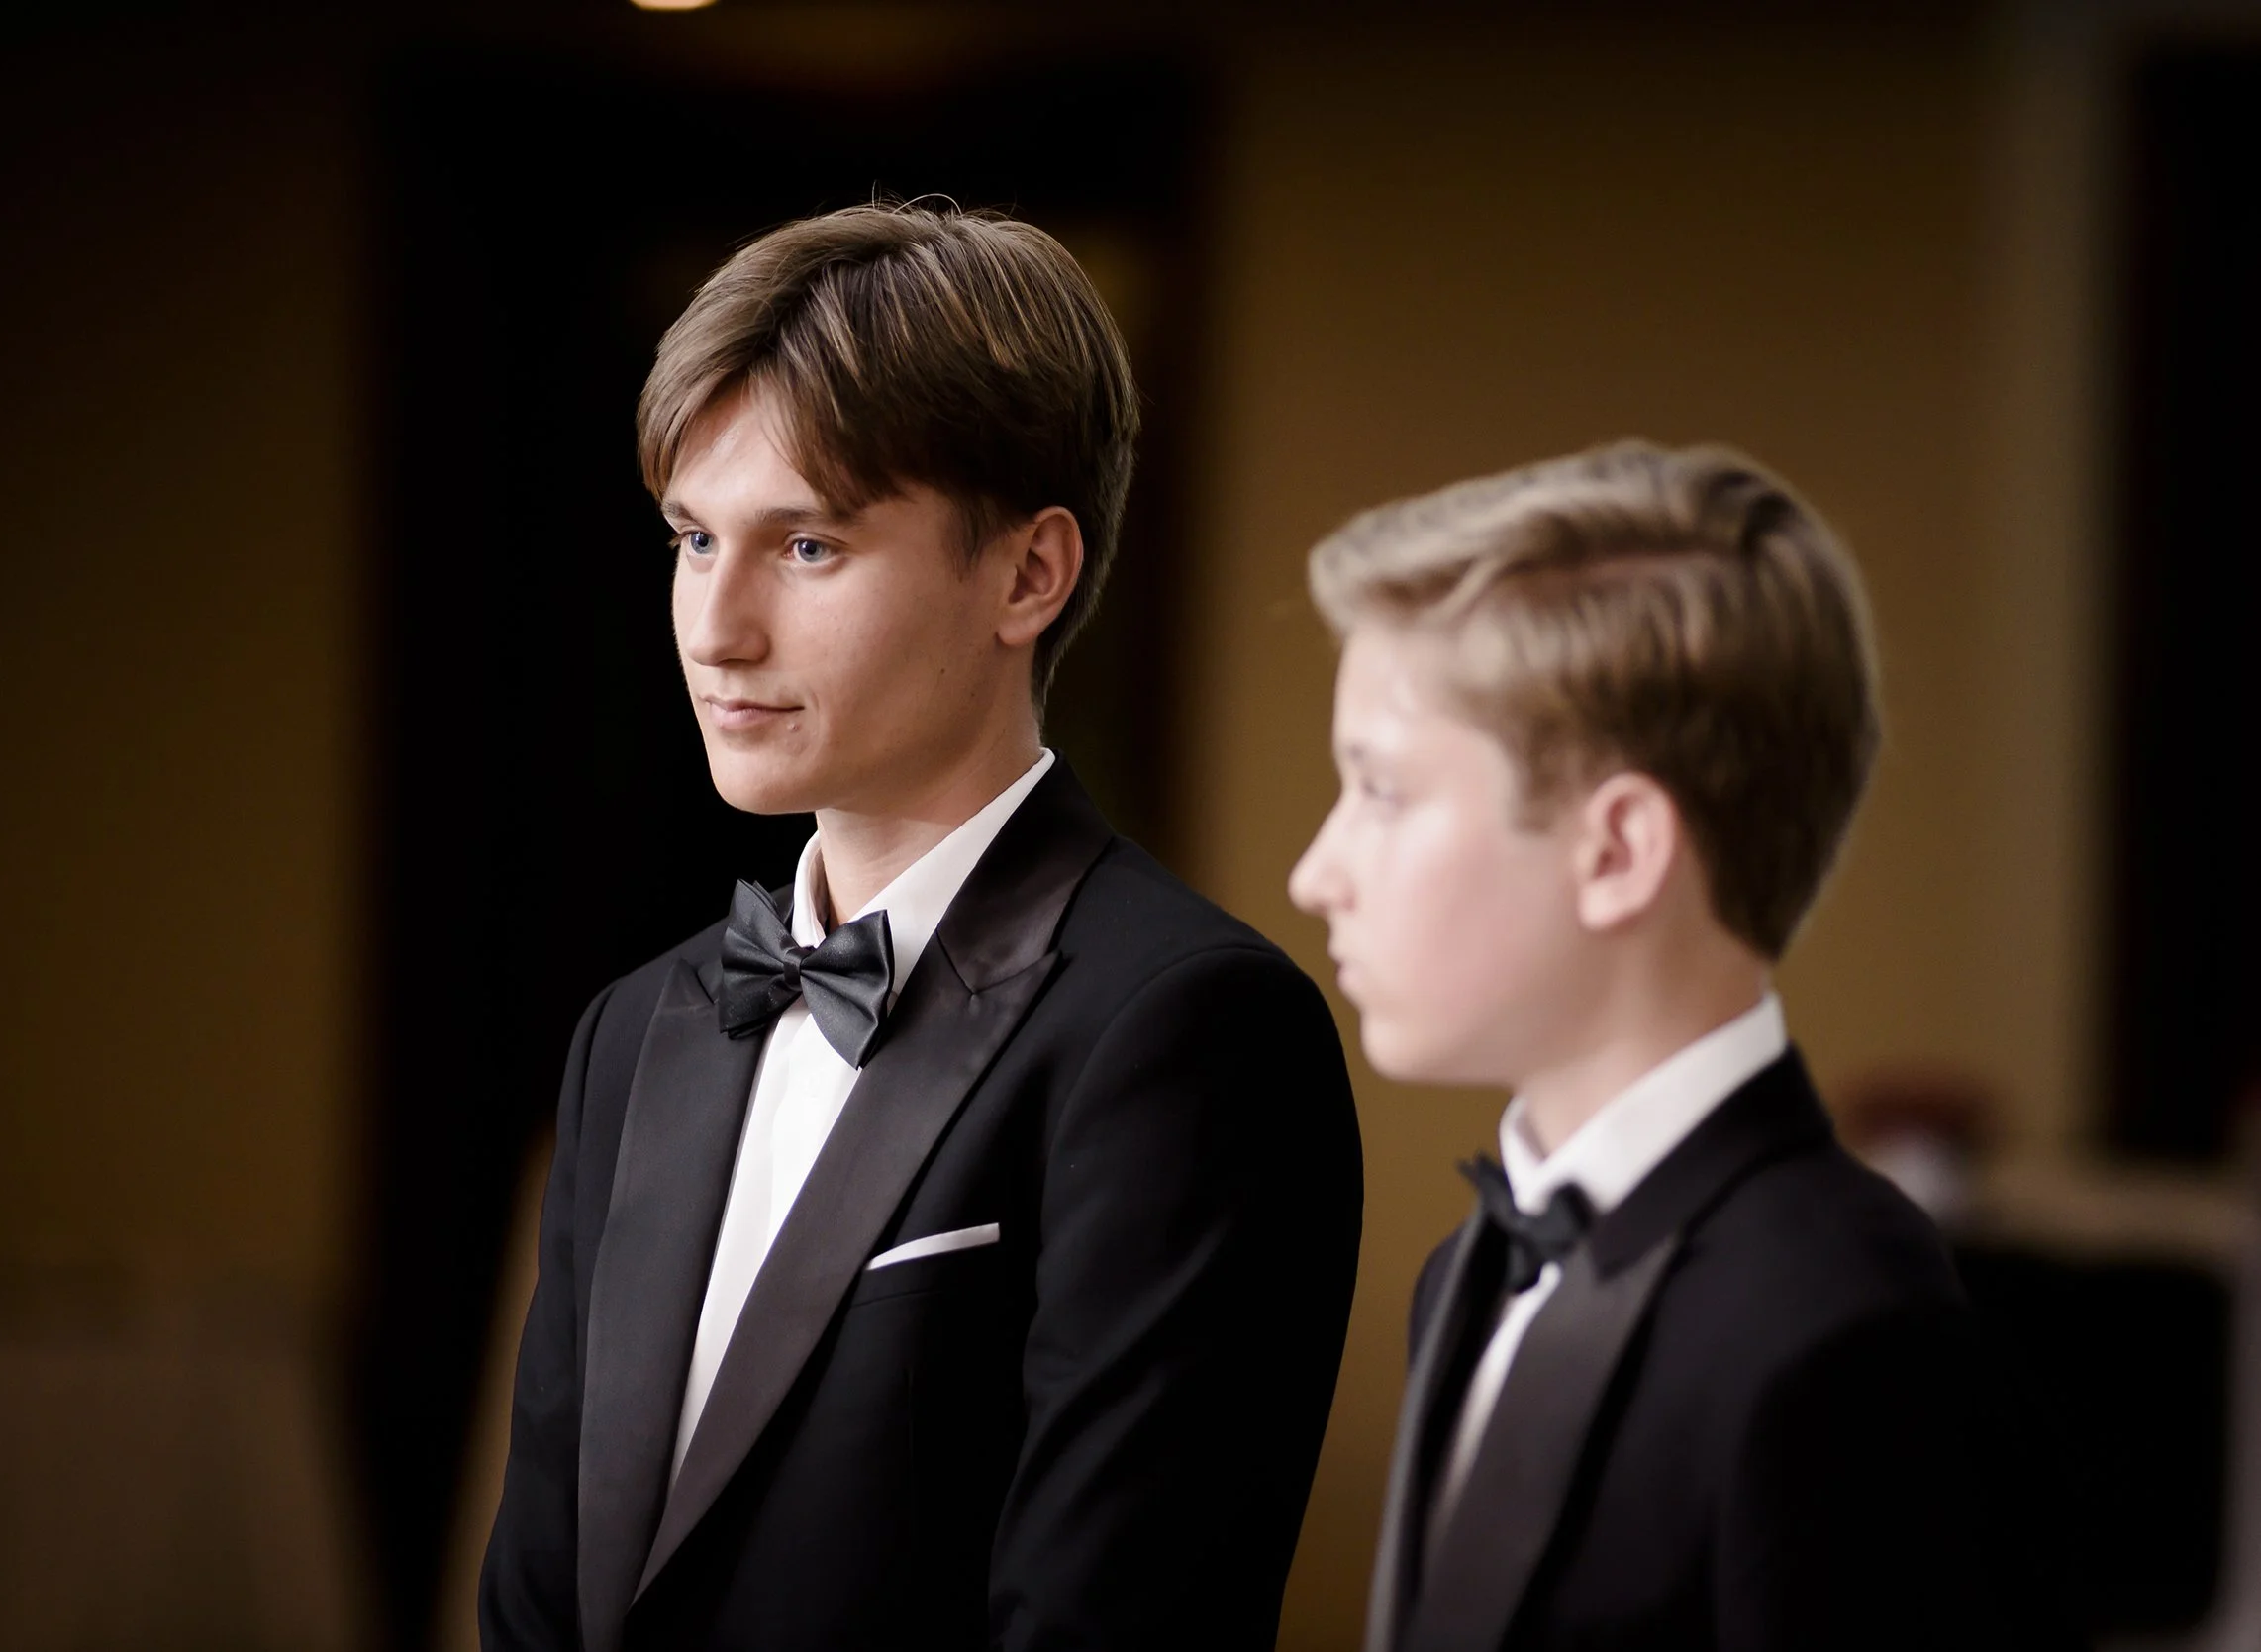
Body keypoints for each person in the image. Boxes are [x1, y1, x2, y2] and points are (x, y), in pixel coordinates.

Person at [480, 202, 1363, 1652]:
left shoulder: (1190, 1030)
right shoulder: (630, 1035)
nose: (716, 628)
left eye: (806, 545)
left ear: (1028, 574)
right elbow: (537, 1598)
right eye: (693, 538)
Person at [1288, 442, 2080, 1652]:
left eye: (1381, 790)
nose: (1315, 873)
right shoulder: (1466, 1271)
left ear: (1617, 851)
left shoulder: (1847, 1339)